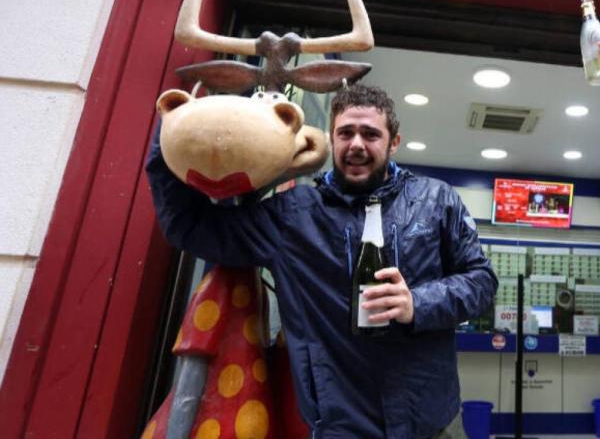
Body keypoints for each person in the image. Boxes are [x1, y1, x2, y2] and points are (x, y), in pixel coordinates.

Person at [147, 84, 498, 439]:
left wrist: (417, 303)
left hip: (433, 422)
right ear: (332, 140)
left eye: (371, 134)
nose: (357, 144)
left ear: (393, 143)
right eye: (346, 133)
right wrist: (171, 129)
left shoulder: (437, 200)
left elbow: (482, 281)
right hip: (340, 425)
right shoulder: (293, 215)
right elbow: (191, 227)